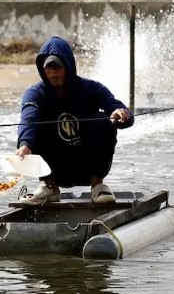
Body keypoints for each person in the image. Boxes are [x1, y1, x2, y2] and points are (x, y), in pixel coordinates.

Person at [15, 36, 134, 205]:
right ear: (42, 69)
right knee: (36, 127)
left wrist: (121, 114)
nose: (53, 72)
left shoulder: (91, 88)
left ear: (69, 66)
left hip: (85, 165)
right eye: (49, 67)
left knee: (104, 120)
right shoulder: (35, 93)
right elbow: (29, 119)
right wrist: (25, 144)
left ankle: (97, 186)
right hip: (54, 167)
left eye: (58, 66)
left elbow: (115, 106)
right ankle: (50, 187)